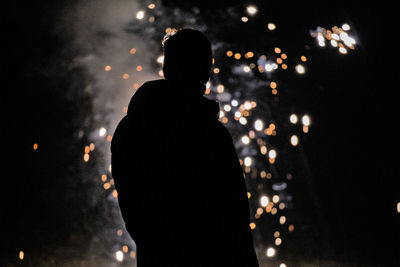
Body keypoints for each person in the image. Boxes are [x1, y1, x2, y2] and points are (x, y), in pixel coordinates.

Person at [111, 28, 259, 267]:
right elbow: (234, 214)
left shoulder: (134, 125)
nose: (208, 69)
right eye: (202, 61)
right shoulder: (208, 133)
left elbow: (133, 205)